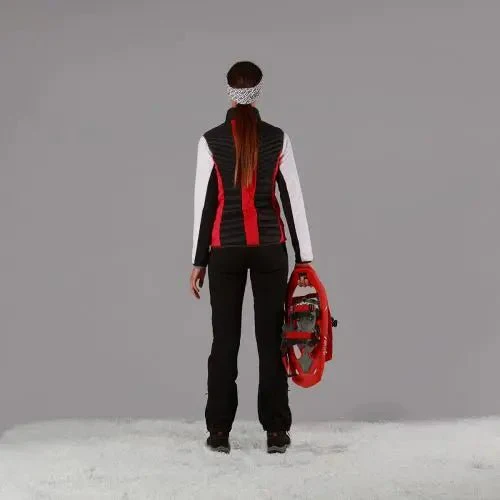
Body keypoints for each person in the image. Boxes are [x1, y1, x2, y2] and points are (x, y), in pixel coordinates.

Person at [190, 61, 314, 454]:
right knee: (271, 340)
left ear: (229, 93)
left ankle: (218, 433)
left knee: (224, 340)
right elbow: (292, 200)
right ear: (259, 93)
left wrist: (198, 261)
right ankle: (276, 432)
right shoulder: (278, 139)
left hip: (224, 252)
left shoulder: (211, 141)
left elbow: (205, 205)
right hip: (269, 251)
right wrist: (304, 258)